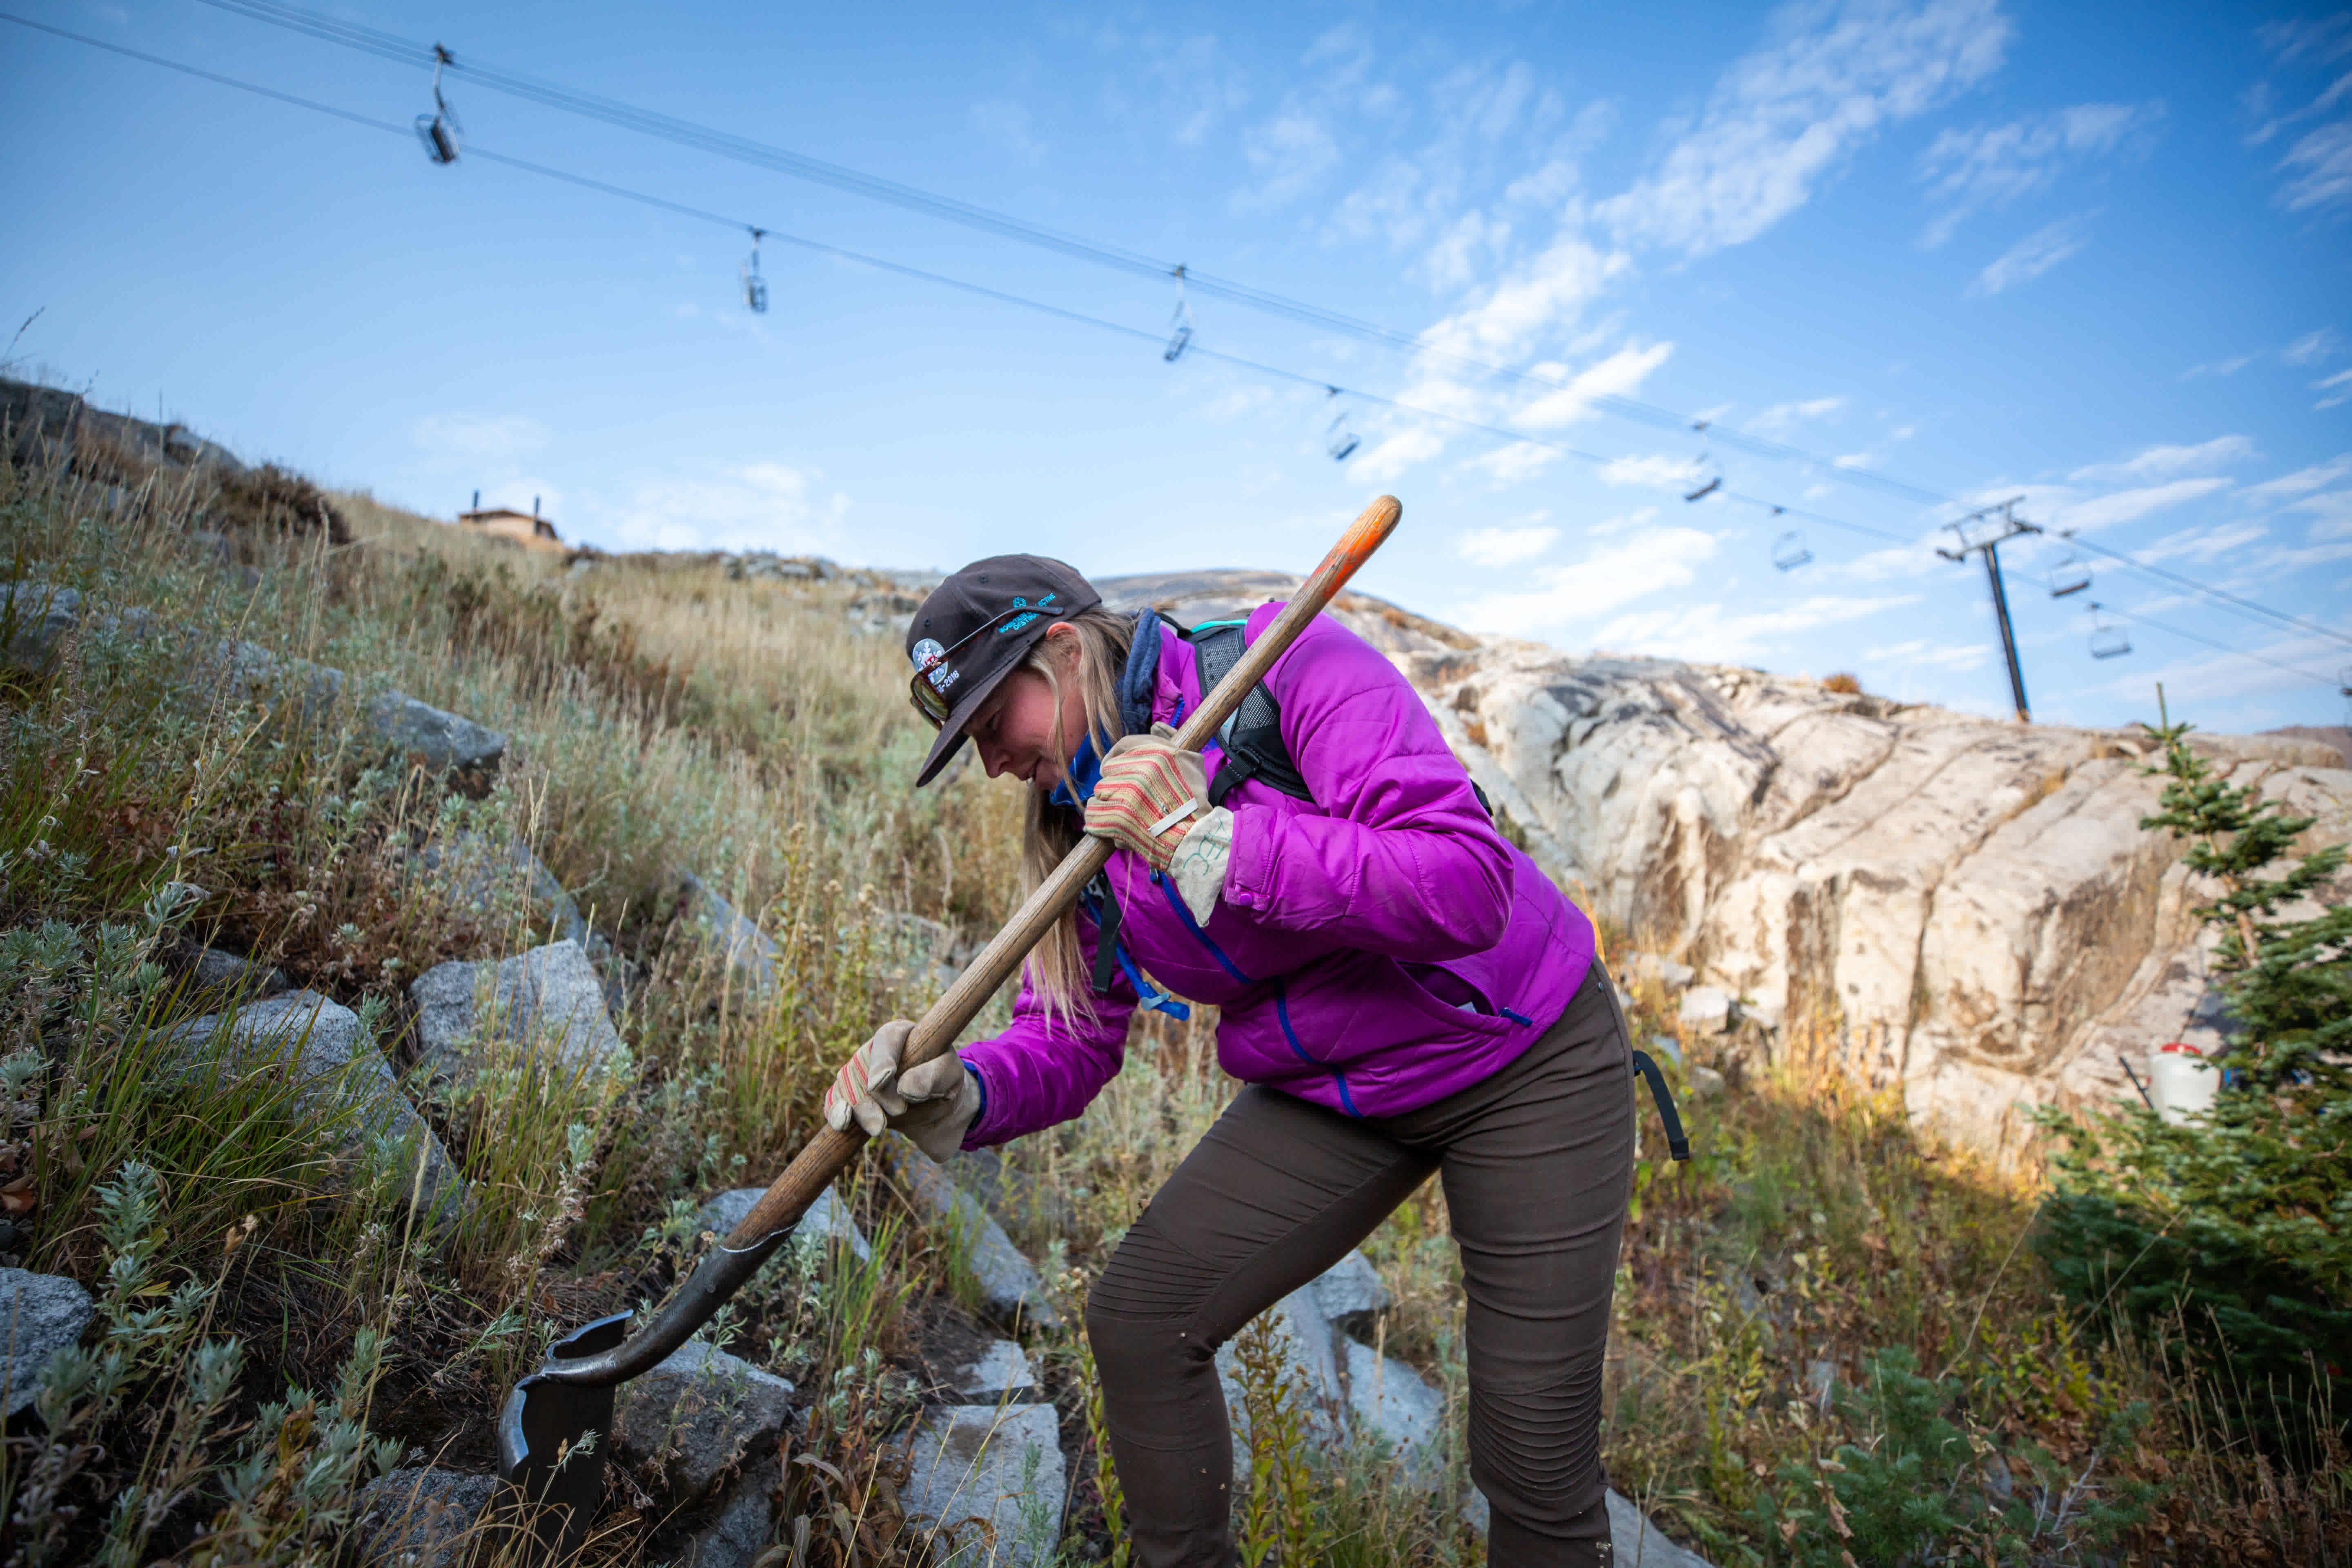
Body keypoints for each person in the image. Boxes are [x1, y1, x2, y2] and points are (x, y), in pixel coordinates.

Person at [824, 554, 1635, 1568]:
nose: (991, 764)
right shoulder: (1081, 829)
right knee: (1141, 1320)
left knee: (1530, 1456)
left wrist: (1214, 844)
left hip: (1524, 1056)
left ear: (1064, 651)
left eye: (994, 726)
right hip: (1341, 1087)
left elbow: (1468, 886)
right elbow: (1070, 1039)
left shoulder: (1283, 670)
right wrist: (965, 1089)